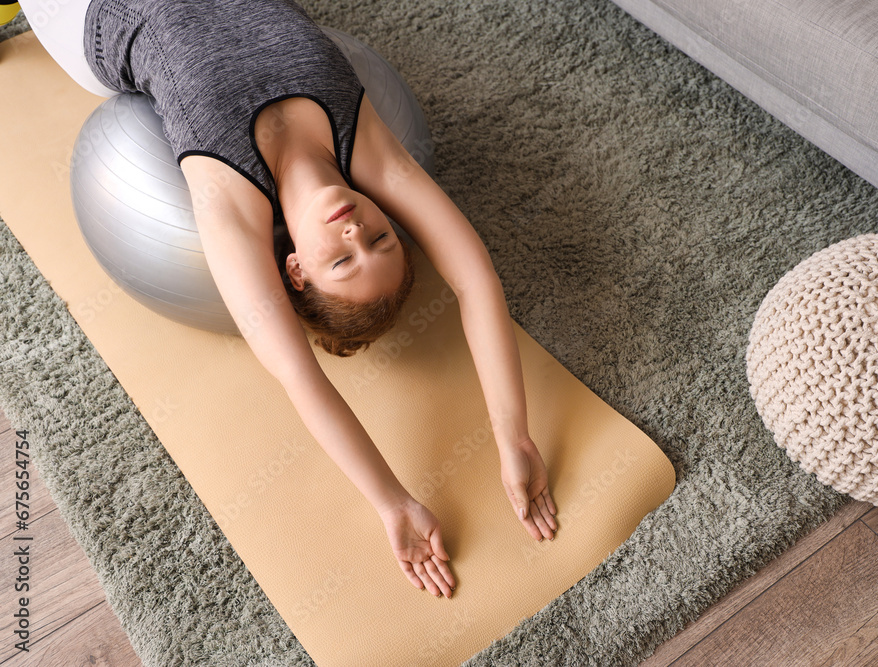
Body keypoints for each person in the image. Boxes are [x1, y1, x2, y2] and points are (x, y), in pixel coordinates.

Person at [20, 0, 558, 599]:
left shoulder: (230, 196)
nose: (357, 233)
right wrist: (514, 436)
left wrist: (392, 501)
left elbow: (303, 380)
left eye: (342, 260)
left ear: (296, 270)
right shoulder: (367, 144)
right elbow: (475, 280)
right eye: (382, 239)